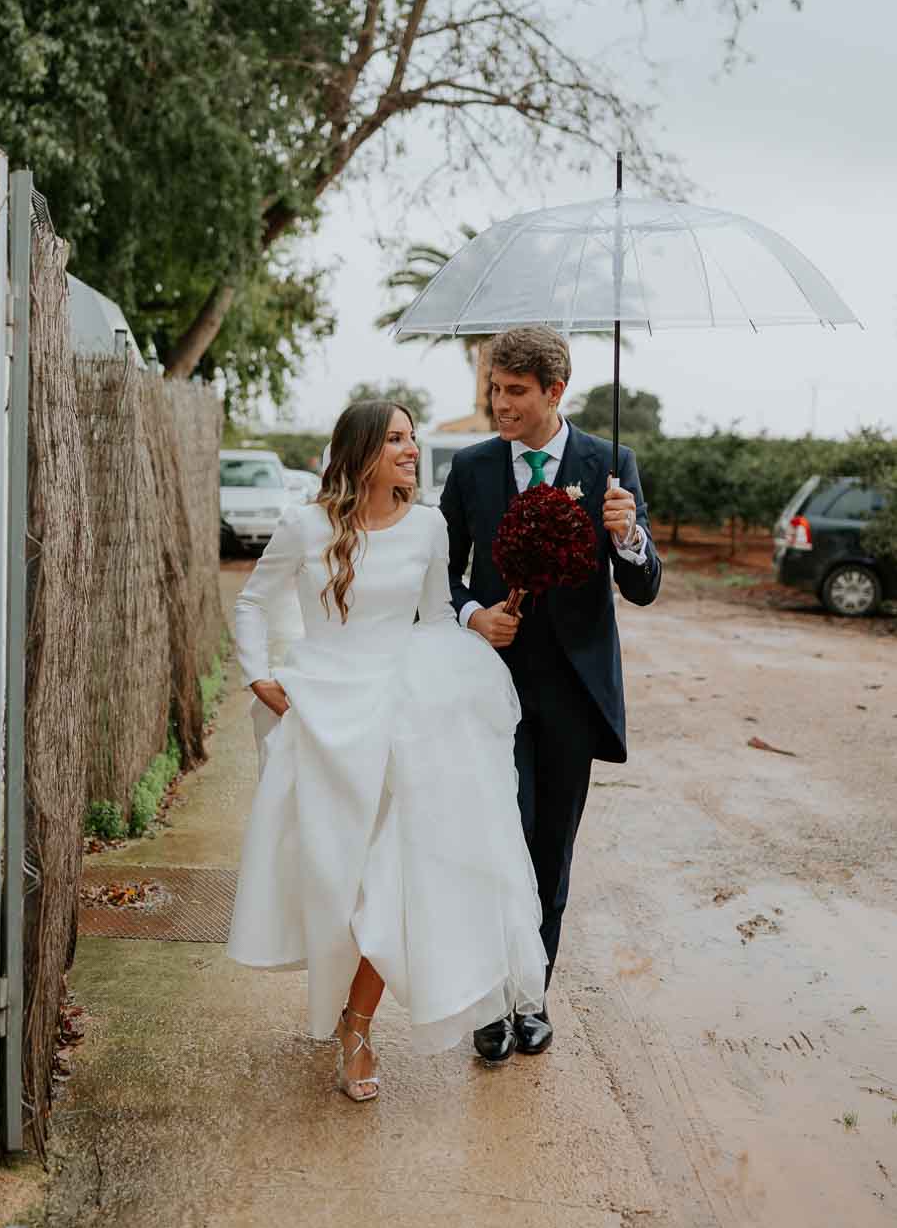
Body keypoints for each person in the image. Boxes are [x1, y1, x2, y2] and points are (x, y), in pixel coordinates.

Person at [227, 400, 547, 1100]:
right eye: (397, 439)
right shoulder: (303, 526)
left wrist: (476, 635)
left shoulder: (429, 527)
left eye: (411, 438)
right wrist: (258, 674)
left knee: (394, 877)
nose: (411, 450)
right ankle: (336, 1008)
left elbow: (434, 616)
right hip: (322, 712)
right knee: (334, 878)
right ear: (363, 450)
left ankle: (357, 1026)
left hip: (404, 713)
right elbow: (252, 602)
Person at [440, 326, 662, 1063]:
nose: (498, 404)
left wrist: (627, 536)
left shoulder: (609, 463)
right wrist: (474, 615)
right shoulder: (471, 468)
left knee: (547, 853)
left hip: (571, 693)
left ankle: (530, 996)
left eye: (513, 392)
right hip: (487, 687)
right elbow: (438, 573)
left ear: (552, 392)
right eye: (492, 390)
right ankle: (486, 1002)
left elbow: (643, 587)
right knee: (491, 845)